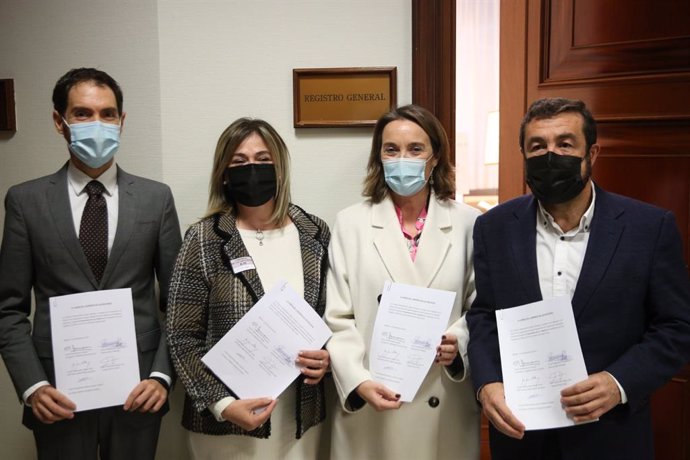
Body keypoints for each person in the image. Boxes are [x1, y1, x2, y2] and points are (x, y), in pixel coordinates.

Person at [467, 97, 690, 459]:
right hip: (522, 437)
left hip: (611, 437)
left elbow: (677, 326)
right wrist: (487, 383)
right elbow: (483, 315)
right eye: (537, 146)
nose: (550, 155)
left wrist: (618, 383)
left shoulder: (648, 228)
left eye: (565, 144)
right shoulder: (493, 228)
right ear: (523, 154)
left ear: (592, 153)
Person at [0, 68, 182, 459]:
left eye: (107, 113)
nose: (96, 124)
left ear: (122, 121)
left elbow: (180, 303)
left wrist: (162, 376)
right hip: (58, 394)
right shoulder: (25, 201)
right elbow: (8, 309)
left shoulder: (156, 199)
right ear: (59, 122)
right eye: (82, 113)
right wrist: (33, 386)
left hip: (139, 389)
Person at [166, 117, 331, 459]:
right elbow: (181, 337)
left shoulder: (315, 233)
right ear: (224, 174)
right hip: (225, 424)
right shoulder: (204, 239)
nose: (252, 169)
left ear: (280, 168)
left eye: (263, 159)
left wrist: (328, 358)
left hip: (298, 421)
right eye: (239, 162)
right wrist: (222, 404)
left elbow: (334, 319)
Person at [324, 104, 481, 459]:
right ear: (378, 157)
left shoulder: (469, 223)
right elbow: (337, 317)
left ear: (435, 157)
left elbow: (480, 306)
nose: (402, 159)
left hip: (442, 405)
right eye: (391, 149)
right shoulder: (351, 223)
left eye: (415, 149)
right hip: (372, 404)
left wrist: (458, 340)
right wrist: (358, 380)